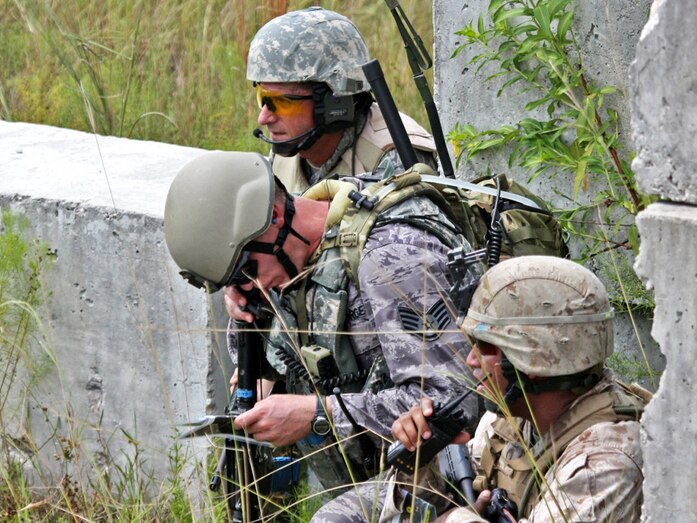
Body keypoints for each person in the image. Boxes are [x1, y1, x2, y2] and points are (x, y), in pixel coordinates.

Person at [164, 150, 479, 493]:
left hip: (455, 476)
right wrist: (244, 313)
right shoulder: (294, 257)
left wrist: (320, 414)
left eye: (245, 271)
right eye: (231, 283)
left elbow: (455, 400)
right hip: (375, 479)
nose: (247, 287)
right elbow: (285, 349)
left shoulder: (389, 257)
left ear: (274, 217)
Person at [388, 255, 651, 523]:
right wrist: (420, 460)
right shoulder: (508, 423)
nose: (471, 361)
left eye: (486, 348)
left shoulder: (609, 459)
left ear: (534, 357)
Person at [246, 6, 437, 196]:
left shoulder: (396, 158)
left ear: (334, 103)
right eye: (263, 98)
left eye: (282, 102)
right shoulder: (289, 149)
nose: (263, 118)